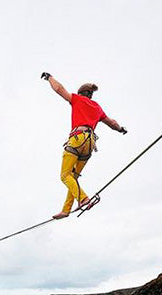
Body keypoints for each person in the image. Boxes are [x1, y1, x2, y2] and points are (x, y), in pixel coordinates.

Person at [41, 72, 127, 219]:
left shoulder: (77, 99)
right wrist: (121, 129)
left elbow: (59, 89)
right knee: (72, 177)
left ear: (81, 93)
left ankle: (83, 199)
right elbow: (112, 123)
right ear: (91, 95)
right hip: (89, 143)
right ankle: (66, 209)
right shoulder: (97, 108)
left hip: (77, 139)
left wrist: (50, 77)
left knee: (65, 176)